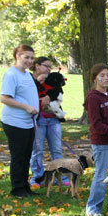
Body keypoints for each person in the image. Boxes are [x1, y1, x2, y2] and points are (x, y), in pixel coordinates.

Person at [0, 44, 39, 198]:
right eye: (26, 57)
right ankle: (17, 189)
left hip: (28, 122)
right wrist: (26, 107)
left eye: (31, 58)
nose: (29, 61)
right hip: (14, 122)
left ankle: (25, 186)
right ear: (17, 56)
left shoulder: (28, 75)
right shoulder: (11, 74)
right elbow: (4, 98)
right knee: (18, 156)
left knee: (26, 155)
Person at [84, 63, 108, 216]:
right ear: (95, 79)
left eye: (107, 75)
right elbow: (96, 123)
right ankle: (93, 208)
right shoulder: (93, 98)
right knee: (101, 175)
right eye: (102, 75)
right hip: (101, 143)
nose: (106, 78)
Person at [29, 56, 67, 189]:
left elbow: (59, 92)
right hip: (38, 120)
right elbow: (27, 95)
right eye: (46, 66)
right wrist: (37, 82)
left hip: (53, 119)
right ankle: (37, 177)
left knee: (56, 149)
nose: (48, 69)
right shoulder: (29, 79)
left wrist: (48, 97)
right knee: (37, 150)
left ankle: (59, 176)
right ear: (37, 65)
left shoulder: (52, 79)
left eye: (50, 67)